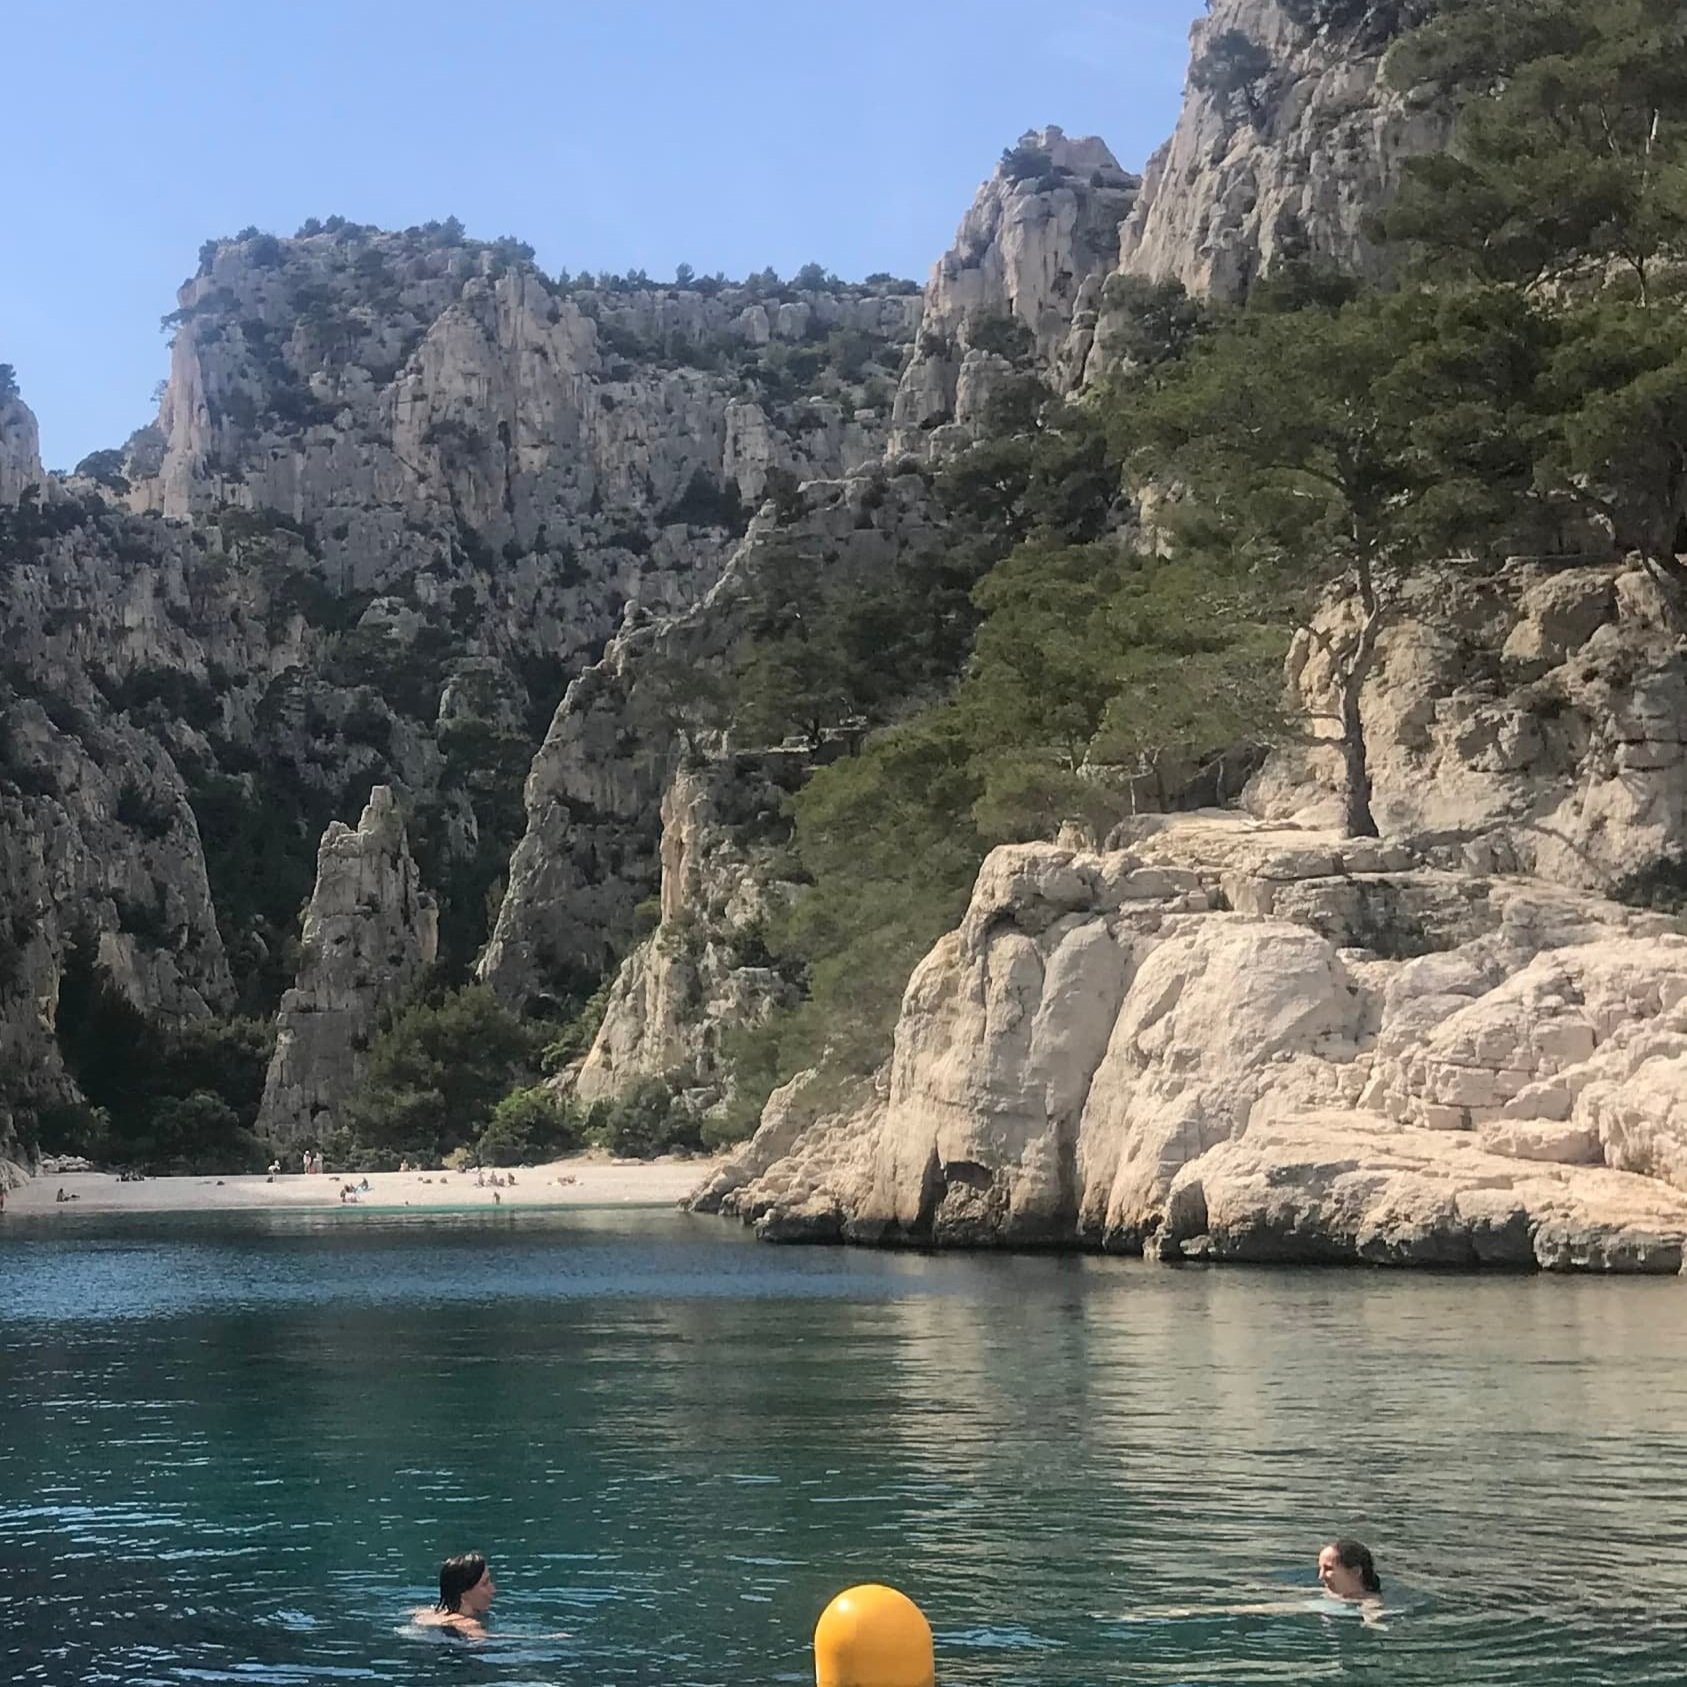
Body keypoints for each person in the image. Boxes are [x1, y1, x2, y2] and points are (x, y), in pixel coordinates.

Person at [412, 1552, 496, 1639]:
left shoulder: (426, 1613)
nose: (493, 1589)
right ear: (463, 1592)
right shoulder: (469, 1625)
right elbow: (481, 1643)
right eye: (485, 1583)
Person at [1318, 1538, 1382, 1605]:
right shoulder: (1327, 1593)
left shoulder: (1371, 1605)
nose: (1320, 1576)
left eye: (1328, 1568)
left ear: (1355, 1572)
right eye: (1320, 1568)